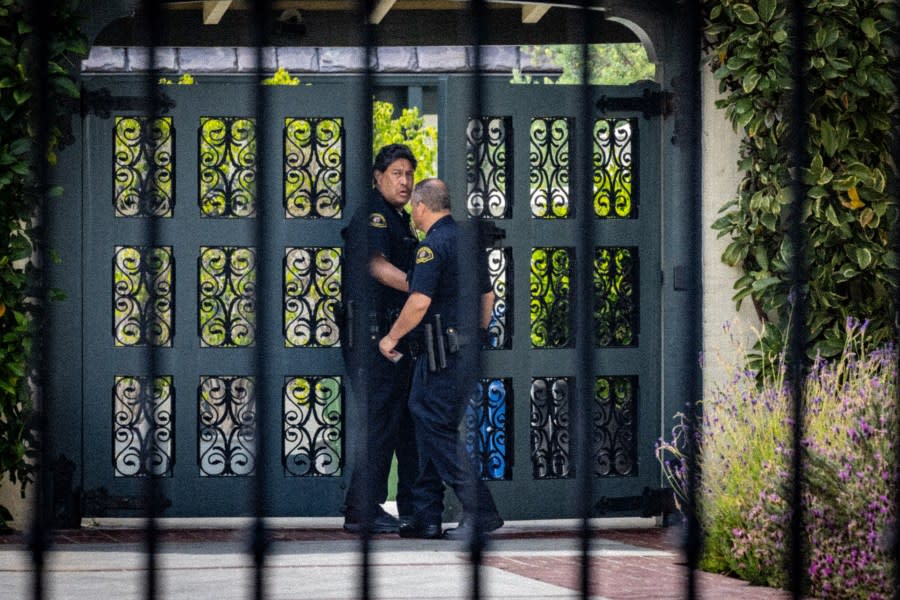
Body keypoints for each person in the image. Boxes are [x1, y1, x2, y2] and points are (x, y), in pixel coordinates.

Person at [378, 178, 504, 541]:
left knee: (431, 421)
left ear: (421, 206)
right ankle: (427, 516)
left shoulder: (431, 247)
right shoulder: (468, 241)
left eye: (414, 209)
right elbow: (487, 298)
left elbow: (418, 302)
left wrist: (392, 337)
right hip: (461, 352)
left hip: (443, 355)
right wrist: (473, 338)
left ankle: (481, 510)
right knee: (429, 425)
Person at [340, 144, 420, 533]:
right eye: (396, 174)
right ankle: (361, 510)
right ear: (377, 176)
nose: (404, 181)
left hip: (392, 337)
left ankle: (401, 505)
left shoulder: (397, 218)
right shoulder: (374, 216)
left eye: (409, 174)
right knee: (379, 421)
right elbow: (375, 265)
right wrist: (424, 286)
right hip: (373, 337)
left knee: (396, 422)